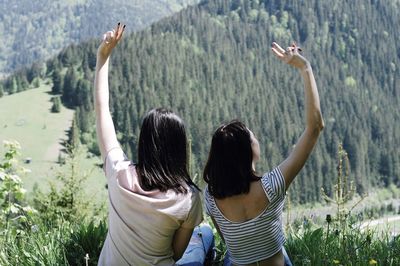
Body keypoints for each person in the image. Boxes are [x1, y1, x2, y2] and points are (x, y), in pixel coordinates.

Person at [95, 23, 213, 265]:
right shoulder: (188, 199)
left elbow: (102, 111)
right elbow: (176, 254)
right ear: (180, 150)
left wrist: (102, 57)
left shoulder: (118, 174)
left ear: (144, 142)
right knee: (204, 237)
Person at [203, 42, 324, 266]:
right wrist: (304, 68)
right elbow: (314, 127)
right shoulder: (272, 186)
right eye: (252, 136)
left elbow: (230, 243)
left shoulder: (210, 198)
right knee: (276, 250)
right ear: (248, 151)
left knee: (234, 255)